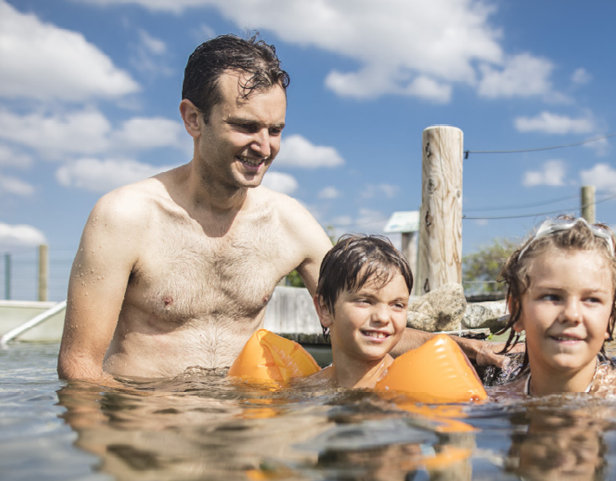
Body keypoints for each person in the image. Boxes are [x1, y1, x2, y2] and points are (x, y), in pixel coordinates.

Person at [57, 34, 502, 384]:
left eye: (275, 130)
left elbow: (363, 315)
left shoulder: (289, 224)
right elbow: (79, 369)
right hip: (144, 416)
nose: (264, 146)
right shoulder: (124, 216)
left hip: (249, 418)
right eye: (245, 126)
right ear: (193, 118)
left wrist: (463, 347)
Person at [495, 216, 616, 399]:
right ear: (517, 311)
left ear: (610, 317)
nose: (571, 314)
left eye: (592, 300)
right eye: (551, 297)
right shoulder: (498, 401)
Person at [306, 234, 412, 389]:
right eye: (365, 301)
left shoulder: (410, 386)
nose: (382, 317)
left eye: (397, 305)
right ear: (325, 309)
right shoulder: (309, 387)